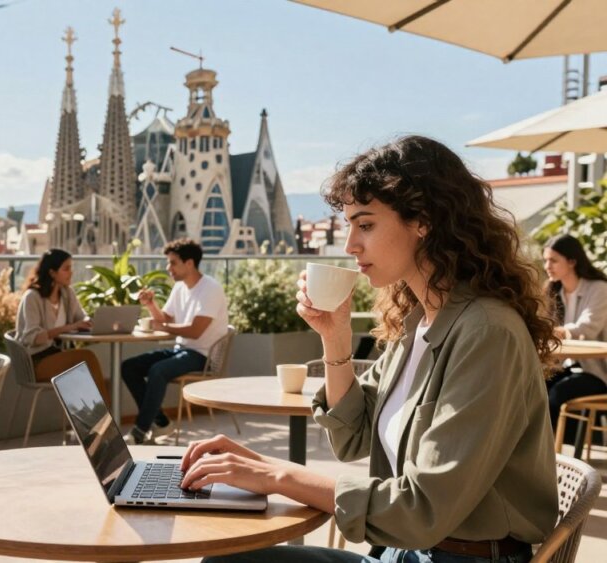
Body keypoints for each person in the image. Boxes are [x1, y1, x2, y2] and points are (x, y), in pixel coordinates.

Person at [180, 136, 558, 562]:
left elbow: (422, 509)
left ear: (424, 220)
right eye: (349, 226)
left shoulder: (487, 333)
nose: (350, 246)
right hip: (406, 552)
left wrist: (278, 476)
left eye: (366, 224)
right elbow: (354, 435)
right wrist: (334, 338)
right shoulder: (418, 323)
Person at [121, 238, 228, 445]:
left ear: (189, 263)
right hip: (182, 349)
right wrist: (151, 305)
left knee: (158, 371)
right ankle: (161, 422)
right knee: (129, 367)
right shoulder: (180, 288)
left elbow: (196, 331)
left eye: (172, 263)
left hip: (202, 355)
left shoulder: (210, 289)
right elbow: (166, 319)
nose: (168, 268)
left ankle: (139, 431)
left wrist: (163, 327)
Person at [15, 248, 111, 400]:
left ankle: (96, 419)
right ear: (52, 273)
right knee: (87, 358)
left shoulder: (67, 294)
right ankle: (106, 418)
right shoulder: (32, 297)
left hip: (59, 355)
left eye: (71, 268)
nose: (71, 272)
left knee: (89, 372)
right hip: (36, 362)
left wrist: (88, 321)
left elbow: (81, 317)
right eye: (66, 269)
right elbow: (31, 337)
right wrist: (69, 327)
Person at [542, 233, 607, 435]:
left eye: (553, 260)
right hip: (571, 367)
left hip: (599, 372)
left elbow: (587, 328)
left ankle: (555, 457)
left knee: (558, 394)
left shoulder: (599, 289)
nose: (547, 266)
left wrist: (557, 331)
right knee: (533, 386)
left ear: (572, 261)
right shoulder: (555, 293)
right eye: (545, 260)